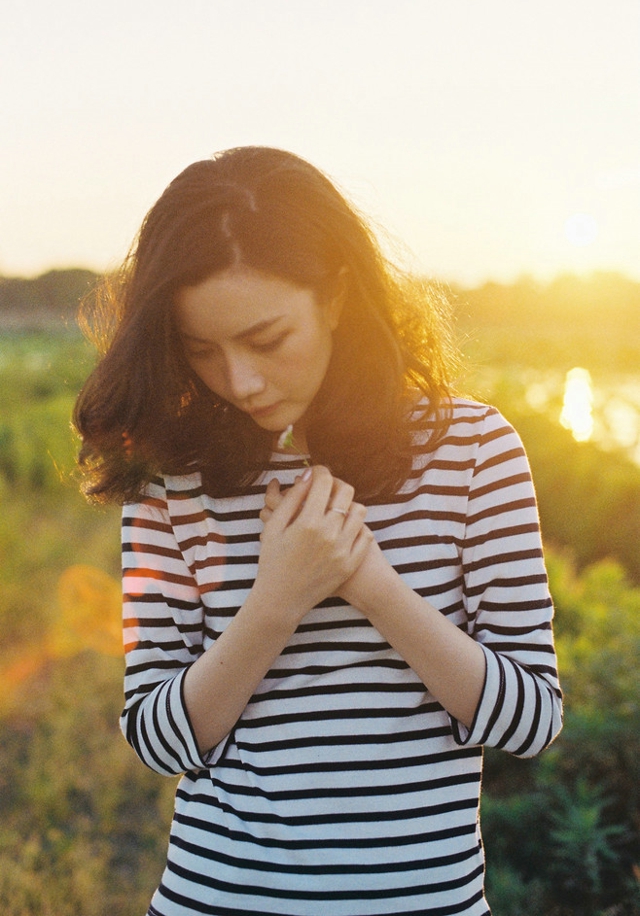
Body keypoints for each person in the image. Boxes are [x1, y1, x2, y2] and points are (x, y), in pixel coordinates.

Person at [73, 146, 562, 916]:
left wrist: (370, 584)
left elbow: (530, 719)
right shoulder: (170, 475)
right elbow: (157, 740)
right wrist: (275, 603)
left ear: (334, 294)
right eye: (202, 349)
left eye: (266, 338)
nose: (240, 380)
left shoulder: (474, 450)